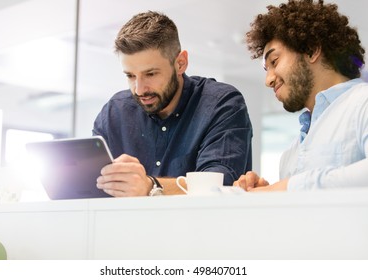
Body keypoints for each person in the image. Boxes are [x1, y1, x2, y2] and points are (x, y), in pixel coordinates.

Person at [93, 11, 253, 197]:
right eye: (130, 76)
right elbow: (90, 185)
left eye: (150, 74)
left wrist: (150, 186)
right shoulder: (114, 112)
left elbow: (218, 186)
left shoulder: (221, 104)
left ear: (180, 63)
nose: (139, 89)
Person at [235, 0, 368, 192]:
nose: (268, 80)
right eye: (266, 70)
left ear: (311, 50)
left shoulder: (362, 102)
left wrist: (287, 188)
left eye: (274, 61)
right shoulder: (291, 154)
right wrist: (269, 194)